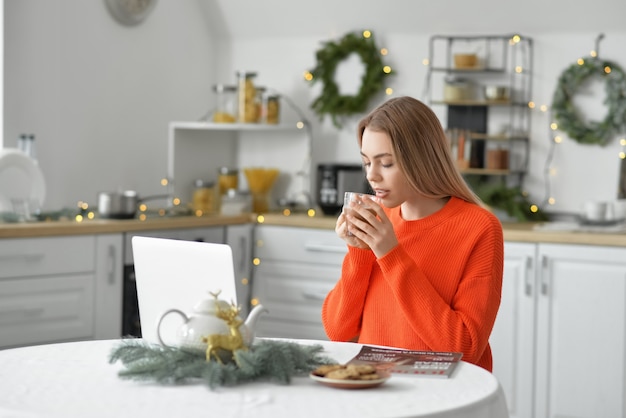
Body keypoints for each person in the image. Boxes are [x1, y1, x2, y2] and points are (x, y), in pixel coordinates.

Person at [321, 96, 503, 372]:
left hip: (445, 398)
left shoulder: (479, 227)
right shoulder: (379, 222)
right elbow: (338, 331)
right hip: (376, 388)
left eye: (386, 163)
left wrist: (391, 254)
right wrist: (359, 250)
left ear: (421, 160)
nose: (372, 176)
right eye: (367, 162)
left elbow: (464, 348)